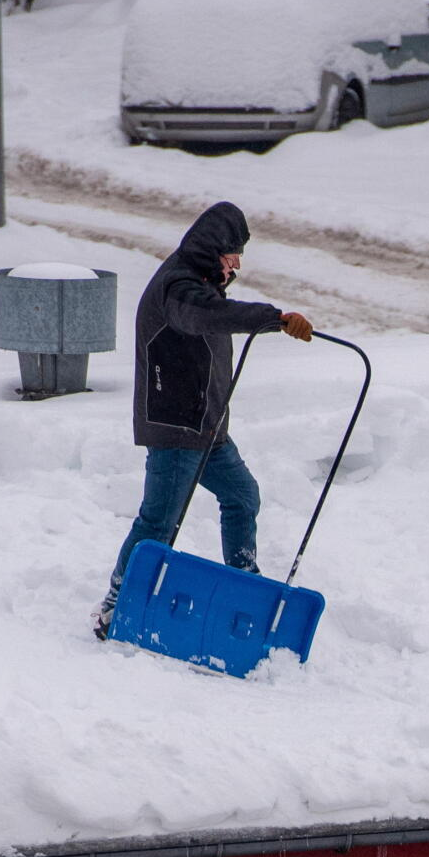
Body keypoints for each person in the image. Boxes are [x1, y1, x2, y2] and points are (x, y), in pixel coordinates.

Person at [97, 202, 314, 635]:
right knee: (158, 521)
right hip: (178, 426)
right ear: (213, 249)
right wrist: (273, 319)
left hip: (207, 429)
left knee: (242, 496)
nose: (236, 264)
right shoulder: (179, 288)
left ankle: (244, 582)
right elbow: (203, 316)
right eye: (232, 253)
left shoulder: (199, 283)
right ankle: (116, 604)